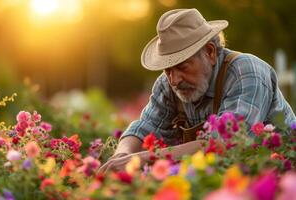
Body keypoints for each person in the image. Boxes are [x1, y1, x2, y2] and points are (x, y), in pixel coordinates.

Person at [98, 8, 296, 173]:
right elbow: (144, 127)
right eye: (168, 70)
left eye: (183, 66)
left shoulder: (247, 72)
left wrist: (141, 159)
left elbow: (229, 143)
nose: (174, 80)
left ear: (210, 52)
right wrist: (121, 156)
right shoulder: (168, 82)